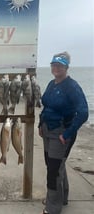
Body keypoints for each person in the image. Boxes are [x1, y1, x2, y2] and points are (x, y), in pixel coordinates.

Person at [38, 51, 89, 214]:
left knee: (53, 171)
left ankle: (53, 208)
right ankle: (62, 197)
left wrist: (67, 134)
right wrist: (41, 124)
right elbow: (46, 107)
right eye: (54, 65)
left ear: (66, 67)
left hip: (61, 133)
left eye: (60, 65)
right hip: (47, 130)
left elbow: (83, 113)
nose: (56, 68)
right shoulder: (52, 84)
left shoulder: (72, 87)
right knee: (56, 166)